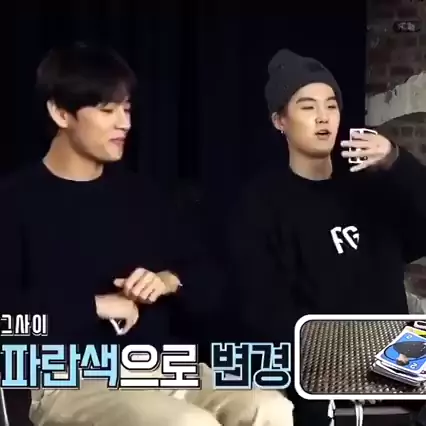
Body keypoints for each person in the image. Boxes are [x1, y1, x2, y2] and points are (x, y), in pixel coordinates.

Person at [0, 43, 293, 426]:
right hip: (67, 379)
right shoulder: (14, 201)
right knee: (187, 423)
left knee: (269, 407)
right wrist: (96, 306)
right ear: (60, 113)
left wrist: (169, 281)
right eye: (107, 110)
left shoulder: (145, 197)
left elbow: (212, 282)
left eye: (126, 109)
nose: (124, 123)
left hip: (162, 368)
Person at [226, 49, 426, 426]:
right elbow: (262, 309)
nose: (323, 117)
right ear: (279, 120)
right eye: (307, 107)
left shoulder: (371, 185)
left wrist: (397, 161)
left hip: (398, 361)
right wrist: (335, 362)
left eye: (331, 105)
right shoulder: (261, 203)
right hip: (318, 372)